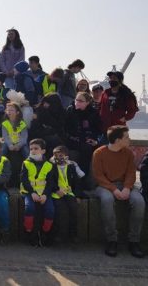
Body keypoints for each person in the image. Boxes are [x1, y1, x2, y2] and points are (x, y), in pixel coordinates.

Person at [93, 126, 145, 258]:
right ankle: (112, 240)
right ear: (117, 140)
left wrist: (127, 187)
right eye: (126, 137)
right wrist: (114, 189)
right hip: (105, 186)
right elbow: (98, 176)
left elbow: (131, 173)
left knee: (139, 202)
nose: (129, 139)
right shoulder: (99, 153)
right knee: (107, 200)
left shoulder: (127, 153)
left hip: (125, 185)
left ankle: (134, 241)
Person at [20, 138, 56, 246]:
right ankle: (29, 232)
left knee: (50, 210)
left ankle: (45, 232)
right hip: (29, 192)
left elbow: (50, 182)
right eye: (31, 149)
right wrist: (32, 192)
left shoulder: (49, 165)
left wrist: (45, 194)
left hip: (44, 193)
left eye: (36, 148)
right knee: (29, 208)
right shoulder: (26, 163)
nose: (33, 151)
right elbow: (24, 180)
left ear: (43, 151)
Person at [65, 92, 101, 187]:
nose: (77, 102)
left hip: (87, 140)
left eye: (81, 101)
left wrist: (94, 140)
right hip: (73, 140)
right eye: (76, 100)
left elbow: (97, 129)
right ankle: (74, 182)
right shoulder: (70, 110)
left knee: (88, 149)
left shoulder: (93, 112)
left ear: (88, 102)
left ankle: (84, 181)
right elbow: (65, 128)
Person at [51, 145, 84, 244]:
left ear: (66, 156)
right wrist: (56, 190)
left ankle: (73, 234)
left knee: (74, 210)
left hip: (69, 193)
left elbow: (78, 182)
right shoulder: (51, 166)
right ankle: (58, 235)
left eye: (61, 155)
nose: (59, 157)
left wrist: (77, 195)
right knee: (59, 211)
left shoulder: (71, 166)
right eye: (56, 155)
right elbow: (49, 181)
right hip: (56, 194)